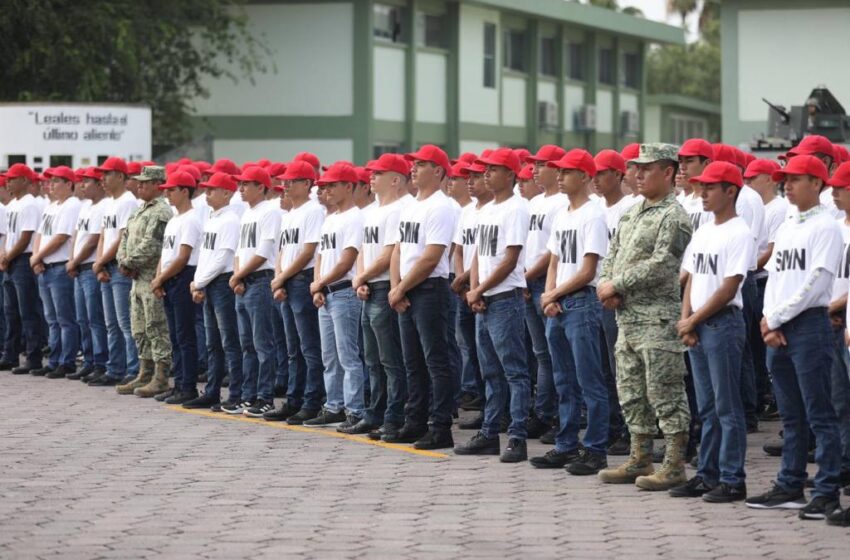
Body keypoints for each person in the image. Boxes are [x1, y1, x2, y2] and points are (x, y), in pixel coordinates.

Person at [747, 155, 843, 520]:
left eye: (795, 178)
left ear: (817, 184)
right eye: (784, 178)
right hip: (780, 327)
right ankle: (790, 484)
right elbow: (776, 279)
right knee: (791, 416)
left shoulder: (826, 227)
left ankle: (827, 491)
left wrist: (778, 318)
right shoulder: (788, 225)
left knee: (820, 413)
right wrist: (768, 320)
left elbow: (818, 281)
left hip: (809, 326)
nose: (786, 184)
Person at [596, 144, 693, 491]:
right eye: (635, 168)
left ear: (668, 173)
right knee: (631, 391)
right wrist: (609, 284)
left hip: (657, 319)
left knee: (665, 392)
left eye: (646, 169)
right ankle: (640, 456)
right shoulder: (632, 213)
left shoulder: (675, 216)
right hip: (628, 317)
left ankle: (674, 464)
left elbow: (663, 263)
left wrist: (616, 284)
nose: (637, 175)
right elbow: (613, 254)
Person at [671, 161, 753, 503]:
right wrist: (685, 318)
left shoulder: (739, 231)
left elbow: (729, 287)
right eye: (701, 186)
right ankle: (707, 475)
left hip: (722, 324)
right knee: (706, 407)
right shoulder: (703, 230)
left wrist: (694, 320)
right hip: (699, 326)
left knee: (726, 407)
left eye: (710, 187)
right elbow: (689, 277)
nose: (702, 193)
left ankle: (733, 479)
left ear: (730, 191)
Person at [529, 149, 609, 475]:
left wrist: (553, 293)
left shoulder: (593, 215)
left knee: (589, 380)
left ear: (585, 176)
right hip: (559, 304)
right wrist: (549, 295)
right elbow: (555, 260)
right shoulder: (563, 214)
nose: (559, 177)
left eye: (567, 172)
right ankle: (565, 444)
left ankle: (595, 449)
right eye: (558, 172)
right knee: (564, 380)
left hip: (581, 302)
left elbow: (588, 270)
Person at [454, 148, 530, 463]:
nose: (487, 174)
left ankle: (517, 436)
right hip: (485, 298)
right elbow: (479, 255)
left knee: (514, 371)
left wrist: (479, 289)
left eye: (494, 169)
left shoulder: (516, 208)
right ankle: (489, 431)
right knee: (490, 372)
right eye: (485, 169)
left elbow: (510, 260)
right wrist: (471, 286)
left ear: (510, 174)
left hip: (505, 299)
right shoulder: (487, 210)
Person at [386, 145, 458, 450]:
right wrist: (395, 286)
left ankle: (440, 426)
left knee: (435, 361)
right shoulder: (412, 205)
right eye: (413, 164)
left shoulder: (441, 206)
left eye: (421, 164)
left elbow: (432, 257)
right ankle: (414, 421)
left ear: (438, 171)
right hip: (406, 289)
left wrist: (401, 288)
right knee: (412, 361)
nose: (413, 169)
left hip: (430, 289)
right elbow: (400, 250)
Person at [351, 154, 410, 438]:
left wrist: (363, 277)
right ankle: (374, 413)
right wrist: (361, 278)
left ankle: (393, 416)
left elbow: (389, 254)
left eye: (378, 173)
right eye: (370, 172)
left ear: (395, 179)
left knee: (390, 360)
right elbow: (365, 248)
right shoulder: (373, 210)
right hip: (368, 288)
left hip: (386, 287)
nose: (371, 177)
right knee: (372, 359)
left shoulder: (399, 209)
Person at [305, 162, 366, 428]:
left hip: (344, 292)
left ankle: (355, 409)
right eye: (324, 186)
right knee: (329, 356)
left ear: (349, 187)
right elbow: (321, 256)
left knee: (348, 356)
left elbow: (346, 260)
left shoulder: (356, 217)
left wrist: (320, 283)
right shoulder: (330, 219)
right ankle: (334, 405)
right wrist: (318, 284)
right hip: (327, 293)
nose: (326, 190)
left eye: (332, 185)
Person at [265, 161, 326, 425]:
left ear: (307, 183)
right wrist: (279, 278)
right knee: (292, 348)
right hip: (288, 280)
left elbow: (309, 251)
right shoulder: (290, 213)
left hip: (301, 280)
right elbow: (281, 250)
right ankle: (294, 398)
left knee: (308, 347)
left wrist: (283, 277)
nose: (286, 185)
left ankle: (312, 401)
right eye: (285, 182)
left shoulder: (314, 211)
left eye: (291, 181)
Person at [187, 172, 244, 411]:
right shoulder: (212, 217)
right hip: (208, 281)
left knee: (229, 340)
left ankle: (236, 393)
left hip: (221, 282)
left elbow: (223, 258)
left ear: (227, 193)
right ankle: (212, 391)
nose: (207, 193)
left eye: (212, 189)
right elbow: (205, 255)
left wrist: (199, 281)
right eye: (206, 189)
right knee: (213, 342)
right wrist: (198, 281)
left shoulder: (230, 220)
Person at [115, 166, 174, 397]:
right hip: (136, 279)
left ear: (157, 185)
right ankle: (144, 372)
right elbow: (125, 238)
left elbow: (152, 244)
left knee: (156, 327)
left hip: (151, 278)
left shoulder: (161, 212)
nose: (139, 186)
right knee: (139, 328)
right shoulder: (139, 211)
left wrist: (129, 262)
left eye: (144, 183)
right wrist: (123, 260)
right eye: (138, 183)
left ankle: (161, 376)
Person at [523, 145, 568, 440]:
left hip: (547, 284)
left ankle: (556, 415)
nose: (535, 170)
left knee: (555, 354)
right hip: (529, 283)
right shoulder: (535, 202)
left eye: (541, 165)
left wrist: (530, 277)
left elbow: (553, 253)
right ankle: (543, 411)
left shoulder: (562, 203)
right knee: (541, 352)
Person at [228, 166, 281, 417]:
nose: (241, 189)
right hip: (244, 281)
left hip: (260, 280)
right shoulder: (247, 214)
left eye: (247, 184)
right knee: (246, 344)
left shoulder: (270, 211)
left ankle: (265, 397)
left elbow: (263, 252)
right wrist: (238, 276)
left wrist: (239, 275)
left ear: (261, 187)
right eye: (240, 184)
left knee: (262, 344)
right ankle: (247, 396)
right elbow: (240, 250)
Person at [150, 170, 203, 404]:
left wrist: (161, 278)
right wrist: (159, 277)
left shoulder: (191, 219)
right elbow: (166, 254)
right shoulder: (173, 219)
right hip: (170, 277)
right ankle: (179, 382)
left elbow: (183, 256)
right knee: (174, 335)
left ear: (185, 191)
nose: (168, 194)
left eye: (172, 190)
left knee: (185, 335)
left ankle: (188, 385)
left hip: (183, 276)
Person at [91, 157, 140, 386]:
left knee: (125, 323)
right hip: (107, 265)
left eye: (107, 174)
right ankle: (115, 367)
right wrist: (100, 263)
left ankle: (133, 369)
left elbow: (122, 237)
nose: (103, 178)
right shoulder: (110, 202)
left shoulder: (128, 201)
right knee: (111, 322)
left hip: (120, 267)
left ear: (120, 176)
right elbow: (103, 234)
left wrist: (101, 261)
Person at [452, 160, 492, 424]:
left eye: (476, 176)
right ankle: (479, 398)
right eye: (467, 177)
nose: (470, 181)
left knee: (489, 354)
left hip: (481, 288)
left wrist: (469, 281)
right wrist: (459, 278)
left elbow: (483, 253)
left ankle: (493, 408)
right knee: (470, 347)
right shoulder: (467, 211)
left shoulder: (493, 211)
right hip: (464, 289)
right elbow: (459, 249)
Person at [66, 167, 109, 381]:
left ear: (99, 183)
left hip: (90, 267)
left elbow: (93, 241)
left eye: (86, 182)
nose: (82, 185)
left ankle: (101, 363)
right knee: (82, 318)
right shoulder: (85, 207)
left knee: (95, 319)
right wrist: (72, 261)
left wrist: (74, 260)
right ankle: (90, 360)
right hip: (79, 268)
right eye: (81, 182)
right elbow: (76, 236)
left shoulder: (102, 207)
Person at [1, 164, 45, 375]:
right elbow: (9, 235)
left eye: (13, 178)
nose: (8, 182)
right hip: (10, 260)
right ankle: (10, 355)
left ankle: (33, 356)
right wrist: (4, 255)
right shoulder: (12, 205)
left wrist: (8, 256)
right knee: (10, 312)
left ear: (25, 181)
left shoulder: (29, 204)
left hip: (22, 259)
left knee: (27, 311)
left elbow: (26, 236)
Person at [827, 161, 850, 494]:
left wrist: (836, 306)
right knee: (839, 398)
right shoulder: (834, 226)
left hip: (840, 315)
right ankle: (844, 462)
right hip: (829, 319)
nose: (833, 194)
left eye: (839, 188)